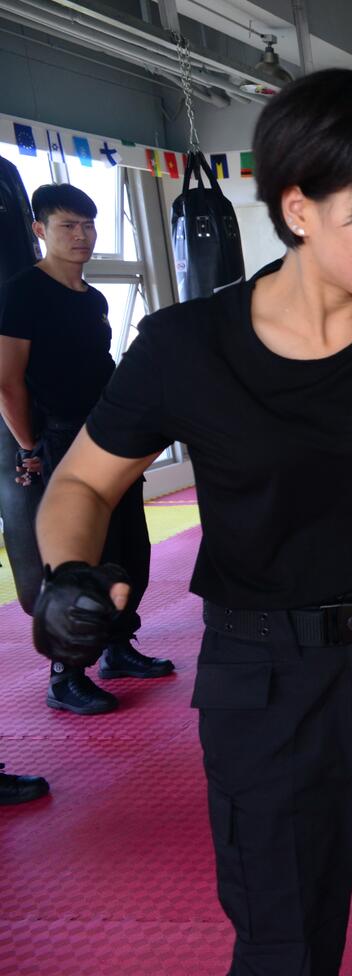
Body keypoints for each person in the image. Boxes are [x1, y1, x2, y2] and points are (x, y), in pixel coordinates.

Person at [30, 69, 352, 974]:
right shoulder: (186, 347)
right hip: (265, 676)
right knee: (285, 948)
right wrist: (67, 573)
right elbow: (81, 486)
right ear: (299, 208)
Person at [0, 183, 169, 717]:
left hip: (109, 436)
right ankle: (65, 673)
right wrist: (30, 447)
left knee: (128, 548)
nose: (82, 235)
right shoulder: (22, 293)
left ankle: (117, 646)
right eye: (68, 225)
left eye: (89, 225)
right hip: (59, 439)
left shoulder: (92, 298)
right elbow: (7, 381)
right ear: (39, 230)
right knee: (77, 555)